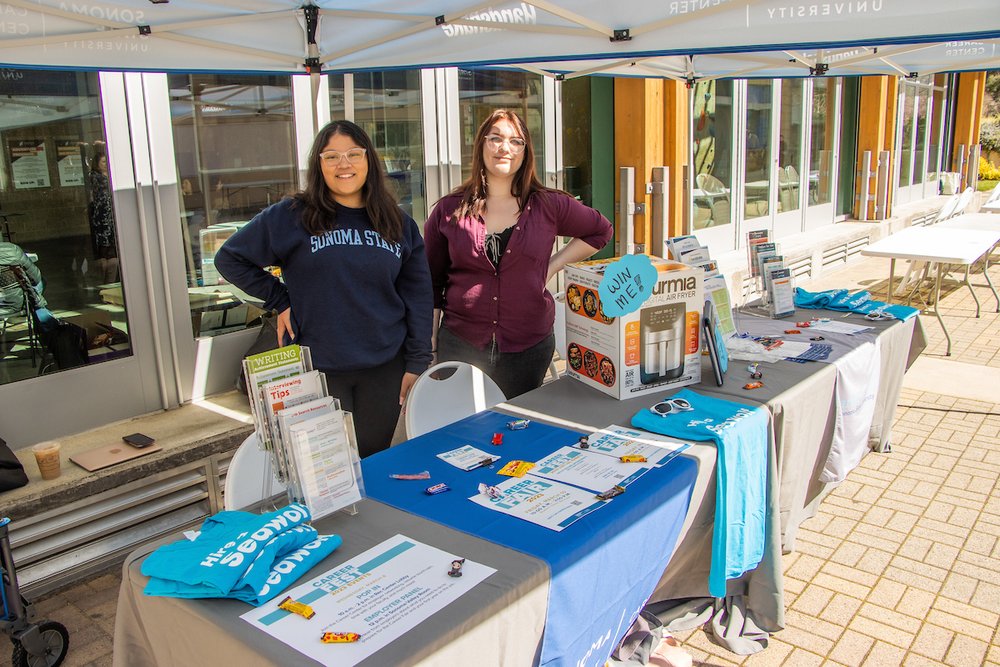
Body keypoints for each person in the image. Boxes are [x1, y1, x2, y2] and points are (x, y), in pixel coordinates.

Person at [215, 120, 433, 458]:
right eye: (331, 156)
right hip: (318, 370)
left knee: (371, 460)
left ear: (368, 161)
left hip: (385, 368)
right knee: (323, 471)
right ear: (318, 165)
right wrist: (281, 299)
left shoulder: (397, 222)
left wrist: (417, 361)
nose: (343, 164)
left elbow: (418, 295)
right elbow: (229, 259)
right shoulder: (291, 217)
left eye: (353, 154)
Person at [424, 109, 613, 399]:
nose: (505, 148)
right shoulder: (449, 210)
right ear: (481, 146)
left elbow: (601, 231)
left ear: (526, 152)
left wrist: (552, 266)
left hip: (528, 347)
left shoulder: (548, 205)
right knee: (463, 431)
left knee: (517, 429)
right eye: (496, 138)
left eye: (516, 141)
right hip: (461, 344)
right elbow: (432, 284)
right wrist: (431, 344)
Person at [87, 145, 119, 284]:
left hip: (112, 217)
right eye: (103, 162)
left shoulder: (111, 176)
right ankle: (106, 282)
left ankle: (111, 281)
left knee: (112, 250)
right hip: (102, 218)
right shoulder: (96, 177)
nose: (106, 165)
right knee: (105, 249)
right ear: (97, 164)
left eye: (107, 162)